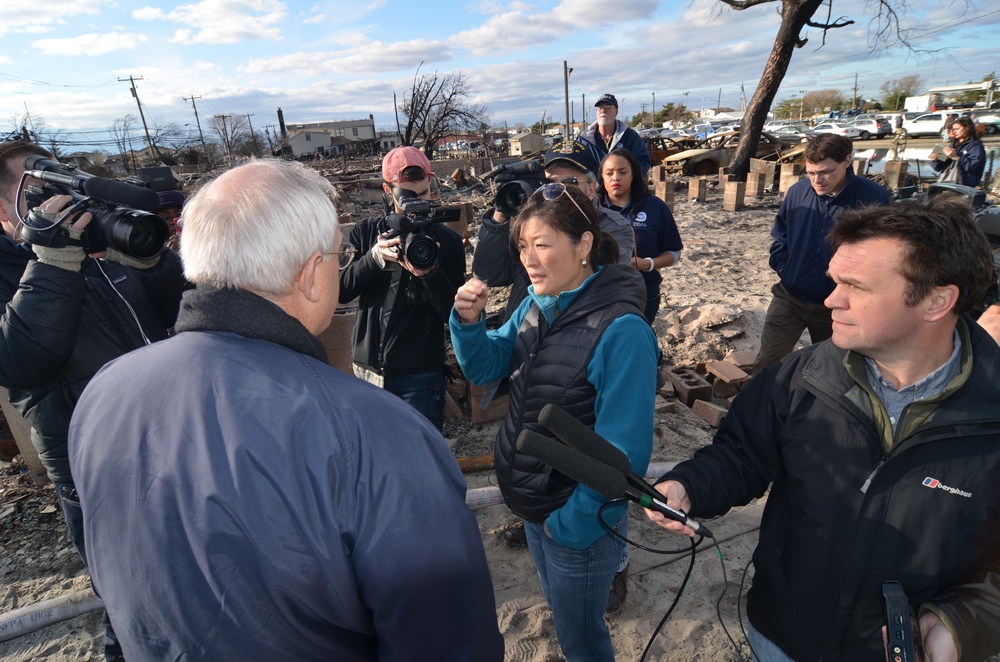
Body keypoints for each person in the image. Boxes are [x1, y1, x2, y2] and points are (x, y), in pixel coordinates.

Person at [68, 159, 504, 662]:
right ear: (310, 276)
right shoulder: (376, 434)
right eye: (337, 258)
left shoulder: (103, 394)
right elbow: (446, 641)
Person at [646, 196, 1000, 661]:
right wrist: (690, 485)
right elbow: (743, 452)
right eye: (835, 281)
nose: (831, 298)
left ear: (937, 300)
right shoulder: (800, 377)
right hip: (779, 634)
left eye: (855, 286)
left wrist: (960, 624)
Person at [453, 183, 658, 660]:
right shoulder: (533, 306)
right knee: (567, 622)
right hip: (534, 506)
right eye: (523, 246)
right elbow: (487, 367)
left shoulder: (622, 330)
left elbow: (624, 457)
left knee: (582, 639)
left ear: (584, 245)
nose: (529, 258)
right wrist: (466, 323)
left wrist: (573, 524)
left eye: (542, 244)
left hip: (577, 521)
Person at [0, 140, 187, 661]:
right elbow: (18, 362)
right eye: (39, 193)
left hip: (171, 439)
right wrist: (53, 261)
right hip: (96, 466)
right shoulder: (27, 263)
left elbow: (180, 303)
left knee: (192, 575)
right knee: (131, 599)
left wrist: (152, 259)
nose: (60, 204)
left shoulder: (97, 246)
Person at [338, 146, 465, 430]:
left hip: (420, 374)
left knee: (420, 457)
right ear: (387, 190)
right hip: (369, 369)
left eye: (424, 194)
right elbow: (342, 291)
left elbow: (454, 314)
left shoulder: (446, 242)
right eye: (408, 197)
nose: (418, 203)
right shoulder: (365, 232)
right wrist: (374, 258)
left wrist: (431, 273)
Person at [751, 133, 891, 375]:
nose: (817, 180)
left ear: (847, 161)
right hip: (790, 297)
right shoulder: (797, 193)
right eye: (811, 173)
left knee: (836, 371)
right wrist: (783, 267)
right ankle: (756, 412)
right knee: (767, 364)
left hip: (840, 305)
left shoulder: (874, 200)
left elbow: (883, 254)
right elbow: (780, 235)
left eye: (825, 172)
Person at [473, 139, 634, 325]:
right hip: (523, 329)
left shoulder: (614, 227)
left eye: (570, 182)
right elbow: (490, 275)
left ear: (591, 188)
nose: (558, 190)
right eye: (550, 182)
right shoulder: (530, 224)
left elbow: (610, 286)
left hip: (581, 331)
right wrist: (502, 211)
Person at [598, 149, 683, 323]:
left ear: (633, 174)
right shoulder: (593, 209)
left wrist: (648, 264)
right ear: (601, 177)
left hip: (644, 294)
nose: (616, 178)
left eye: (622, 172)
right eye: (609, 173)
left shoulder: (654, 206)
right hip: (600, 296)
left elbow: (674, 253)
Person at [580, 94, 652, 179]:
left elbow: (643, 161)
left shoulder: (630, 137)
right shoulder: (584, 140)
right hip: (594, 190)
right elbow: (576, 165)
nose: (603, 111)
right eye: (600, 108)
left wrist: (627, 177)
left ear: (616, 112)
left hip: (624, 190)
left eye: (607, 107)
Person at [932, 116, 986, 188]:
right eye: (953, 129)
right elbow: (938, 168)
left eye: (957, 129)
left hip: (965, 185)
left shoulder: (976, 146)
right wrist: (936, 160)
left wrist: (956, 157)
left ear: (968, 128)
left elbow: (970, 166)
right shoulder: (953, 145)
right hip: (948, 181)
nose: (954, 131)